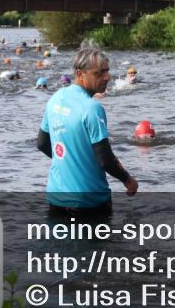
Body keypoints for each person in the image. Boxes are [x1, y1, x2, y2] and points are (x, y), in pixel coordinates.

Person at [37, 42, 138, 217]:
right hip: (89, 202)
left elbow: (42, 143)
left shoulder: (55, 98)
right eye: (99, 73)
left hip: (56, 198)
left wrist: (70, 161)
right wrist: (128, 181)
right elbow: (105, 159)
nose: (107, 77)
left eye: (107, 70)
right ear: (79, 74)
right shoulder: (92, 107)